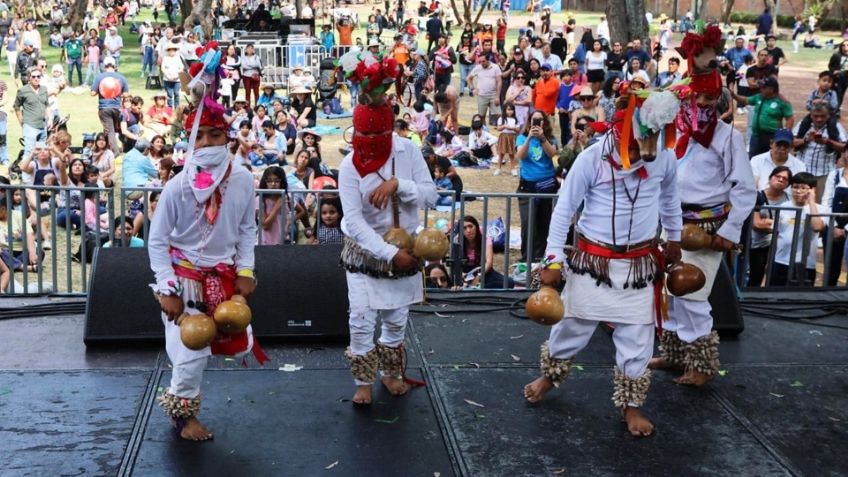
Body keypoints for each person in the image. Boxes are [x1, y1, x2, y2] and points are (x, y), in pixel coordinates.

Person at [523, 88, 683, 438]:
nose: (647, 153)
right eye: (641, 144)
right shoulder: (592, 158)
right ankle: (549, 377)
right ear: (622, 132)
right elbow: (564, 209)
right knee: (571, 328)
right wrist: (552, 259)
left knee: (639, 339)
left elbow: (671, 199)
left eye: (653, 143)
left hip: (640, 265)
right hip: (592, 263)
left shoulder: (664, 159)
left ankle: (631, 406)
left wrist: (674, 238)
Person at [149, 89, 263, 442]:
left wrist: (245, 270)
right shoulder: (177, 186)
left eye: (214, 134)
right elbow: (157, 240)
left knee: (224, 343)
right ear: (188, 139)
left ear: (227, 137)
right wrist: (167, 288)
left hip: (223, 275)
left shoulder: (243, 179)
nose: (207, 141)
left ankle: (185, 411)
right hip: (184, 277)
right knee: (190, 350)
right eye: (198, 135)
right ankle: (184, 419)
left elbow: (246, 230)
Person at [653, 27, 756, 387]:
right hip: (671, 221)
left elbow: (745, 189)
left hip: (706, 228)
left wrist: (729, 232)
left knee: (692, 292)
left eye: (713, 100)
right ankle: (674, 352)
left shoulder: (730, 137)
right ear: (686, 100)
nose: (706, 105)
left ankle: (702, 364)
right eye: (700, 99)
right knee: (669, 290)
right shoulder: (672, 133)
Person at [338, 61, 437, 406]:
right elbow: (353, 221)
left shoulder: (408, 151)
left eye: (374, 136)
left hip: (408, 247)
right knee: (361, 318)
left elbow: (432, 195)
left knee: (397, 317)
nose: (366, 143)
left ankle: (391, 374)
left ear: (389, 132)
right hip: (366, 253)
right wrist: (389, 253)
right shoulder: (348, 166)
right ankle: (362, 380)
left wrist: (400, 184)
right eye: (360, 136)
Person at [769, 172, 827, 286]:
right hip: (780, 261)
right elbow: (776, 233)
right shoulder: (783, 206)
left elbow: (817, 227)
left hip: (804, 264)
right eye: (795, 187)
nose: (798, 191)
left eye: (803, 188)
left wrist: (811, 202)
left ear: (812, 190)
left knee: (800, 298)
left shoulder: (820, 209)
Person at [516, 110, 558, 262]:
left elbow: (552, 153)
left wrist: (541, 138)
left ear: (544, 122)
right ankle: (526, 258)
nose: (536, 123)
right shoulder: (521, 138)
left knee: (544, 223)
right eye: (534, 120)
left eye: (540, 120)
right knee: (528, 224)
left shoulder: (550, 138)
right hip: (528, 187)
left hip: (546, 186)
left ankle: (540, 258)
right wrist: (529, 138)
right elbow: (520, 156)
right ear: (529, 122)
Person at [791, 102, 847, 200]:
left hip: (825, 173)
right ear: (811, 115)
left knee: (822, 202)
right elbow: (792, 143)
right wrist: (806, 140)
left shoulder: (836, 127)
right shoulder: (803, 124)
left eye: (822, 116)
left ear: (828, 115)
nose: (819, 119)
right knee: (801, 201)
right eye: (816, 116)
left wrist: (827, 142)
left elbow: (844, 147)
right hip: (803, 171)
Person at [749, 166, 792, 287]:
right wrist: (779, 226)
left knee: (776, 278)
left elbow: (791, 223)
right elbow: (756, 224)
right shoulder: (758, 196)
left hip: (780, 245)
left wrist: (767, 222)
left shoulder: (789, 199)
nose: (780, 180)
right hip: (758, 244)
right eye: (778, 176)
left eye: (785, 179)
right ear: (770, 178)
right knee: (755, 276)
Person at [732, 76, 793, 158]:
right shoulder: (759, 97)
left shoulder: (782, 102)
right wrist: (734, 95)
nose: (760, 89)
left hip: (772, 137)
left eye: (763, 87)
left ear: (771, 89)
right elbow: (745, 100)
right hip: (756, 136)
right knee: (753, 159)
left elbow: (790, 118)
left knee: (771, 159)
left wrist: (784, 134)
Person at [91, 56, 129, 156]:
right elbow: (126, 94)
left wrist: (101, 90)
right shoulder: (121, 78)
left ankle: (115, 153)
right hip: (117, 108)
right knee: (117, 129)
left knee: (110, 131)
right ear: (114, 65)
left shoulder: (99, 77)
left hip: (104, 108)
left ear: (104, 65)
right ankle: (113, 149)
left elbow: (93, 93)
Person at [13, 66, 50, 160]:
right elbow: (16, 106)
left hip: (43, 125)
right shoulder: (23, 91)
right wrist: (22, 121)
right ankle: (26, 173)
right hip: (30, 126)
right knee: (29, 151)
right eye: (33, 76)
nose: (36, 78)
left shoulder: (44, 89)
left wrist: (50, 119)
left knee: (41, 152)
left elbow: (47, 105)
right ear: (29, 77)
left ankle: (38, 172)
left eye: (38, 76)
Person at [466, 53, 501, 125]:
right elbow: (468, 78)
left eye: (483, 61)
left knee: (499, 115)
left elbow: (499, 81)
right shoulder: (478, 68)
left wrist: (497, 96)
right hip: (482, 96)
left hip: (493, 95)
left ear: (488, 60)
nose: (482, 63)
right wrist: (472, 88)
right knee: (481, 116)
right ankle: (484, 132)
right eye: (480, 61)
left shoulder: (495, 67)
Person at [495, 103, 520, 177]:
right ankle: (498, 168)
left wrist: (512, 128)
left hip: (512, 137)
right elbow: (498, 128)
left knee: (512, 154)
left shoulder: (515, 119)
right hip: (504, 137)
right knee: (501, 154)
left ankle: (513, 169)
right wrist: (504, 126)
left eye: (512, 110)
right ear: (505, 110)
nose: (510, 111)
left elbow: (518, 129)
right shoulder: (501, 118)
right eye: (508, 110)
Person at [161, 42, 183, 108]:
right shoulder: (165, 58)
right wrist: (168, 76)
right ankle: (170, 107)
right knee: (169, 94)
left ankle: (177, 107)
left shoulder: (178, 58)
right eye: (170, 50)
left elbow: (181, 68)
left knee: (176, 93)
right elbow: (163, 68)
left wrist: (176, 77)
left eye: (173, 50)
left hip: (177, 79)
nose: (171, 52)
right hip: (167, 79)